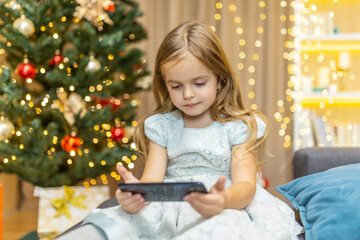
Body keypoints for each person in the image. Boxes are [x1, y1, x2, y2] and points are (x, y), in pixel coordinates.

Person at [57, 20, 302, 240]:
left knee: (222, 228)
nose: (187, 94)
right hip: (169, 204)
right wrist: (136, 192)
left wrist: (223, 200)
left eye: (199, 83)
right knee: (114, 225)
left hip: (224, 204)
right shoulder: (163, 126)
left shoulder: (238, 127)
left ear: (220, 79)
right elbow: (152, 179)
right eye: (176, 86)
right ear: (165, 83)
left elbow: (246, 186)